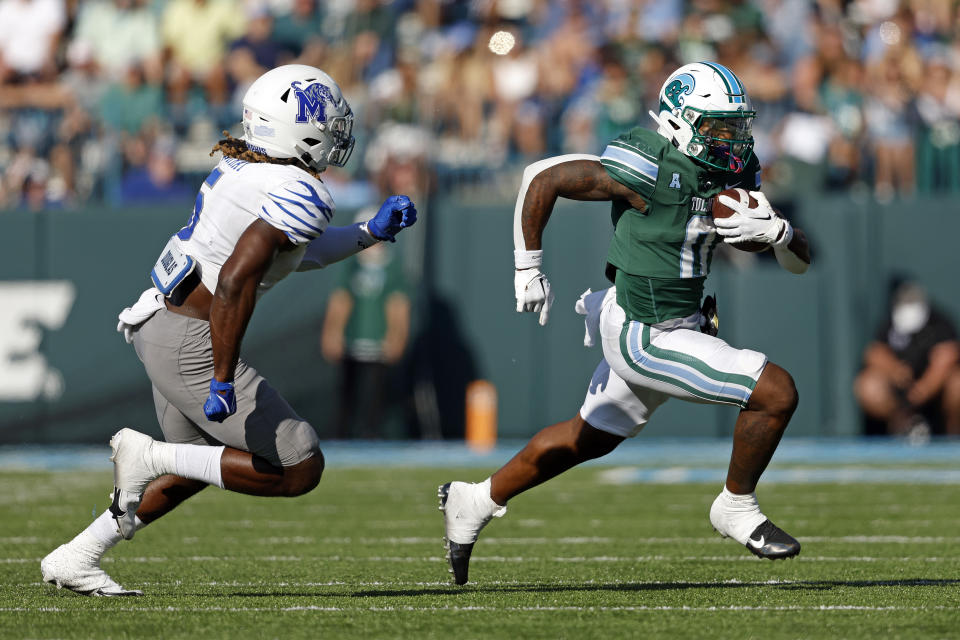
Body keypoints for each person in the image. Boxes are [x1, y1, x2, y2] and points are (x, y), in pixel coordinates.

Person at [40, 64, 417, 596]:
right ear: (298, 129)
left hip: (160, 320)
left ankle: (77, 554)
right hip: (193, 337)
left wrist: (367, 233)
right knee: (299, 464)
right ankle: (146, 456)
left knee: (203, 464)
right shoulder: (300, 189)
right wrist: (221, 374)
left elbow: (287, 254)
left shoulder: (245, 166)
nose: (337, 136)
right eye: (328, 124)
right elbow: (239, 279)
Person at [438, 62, 812, 585]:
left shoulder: (735, 171)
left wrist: (778, 233)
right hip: (645, 332)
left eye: (736, 126)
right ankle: (736, 506)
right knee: (776, 391)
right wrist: (528, 268)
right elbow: (542, 177)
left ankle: (474, 500)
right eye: (718, 127)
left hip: (681, 323)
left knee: (585, 438)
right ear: (681, 122)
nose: (732, 139)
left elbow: (800, 262)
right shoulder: (651, 163)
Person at [321, 217, 411, 438]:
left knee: (375, 402)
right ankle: (343, 439)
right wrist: (332, 332)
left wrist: (396, 335)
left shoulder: (392, 265)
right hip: (351, 343)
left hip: (379, 346)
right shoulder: (351, 262)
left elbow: (398, 304)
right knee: (346, 400)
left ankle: (372, 439)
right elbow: (341, 299)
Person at [854, 279, 960, 436]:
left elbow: (948, 355)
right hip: (900, 392)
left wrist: (925, 387)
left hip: (935, 392)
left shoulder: (940, 323)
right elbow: (874, 353)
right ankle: (902, 426)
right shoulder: (890, 323)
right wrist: (896, 371)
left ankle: (953, 436)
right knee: (868, 385)